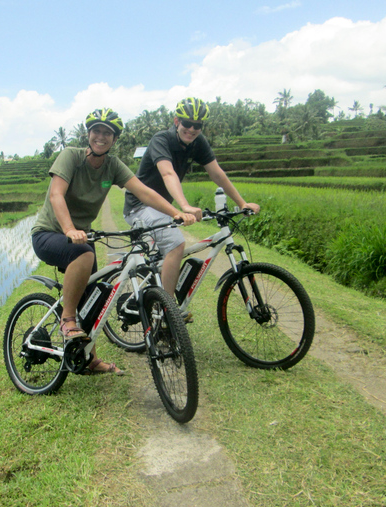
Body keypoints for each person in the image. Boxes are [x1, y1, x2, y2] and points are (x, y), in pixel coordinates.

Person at [31, 108, 197, 375]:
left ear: (114, 138)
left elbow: (144, 192)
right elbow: (56, 196)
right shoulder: (71, 157)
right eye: (96, 130)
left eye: (107, 133)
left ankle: (89, 359)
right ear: (88, 134)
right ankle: (67, 319)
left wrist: (176, 212)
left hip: (82, 239)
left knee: (95, 299)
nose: (101, 136)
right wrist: (70, 229)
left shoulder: (113, 165)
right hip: (50, 234)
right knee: (83, 257)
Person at [123, 97, 260, 321]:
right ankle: (167, 313)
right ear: (177, 121)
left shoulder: (198, 142)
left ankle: (160, 296)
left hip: (162, 207)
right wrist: (184, 206)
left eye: (198, 125)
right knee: (176, 244)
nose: (192, 129)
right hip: (140, 205)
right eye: (188, 123)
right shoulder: (162, 139)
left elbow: (217, 173)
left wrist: (242, 202)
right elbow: (168, 174)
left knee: (169, 251)